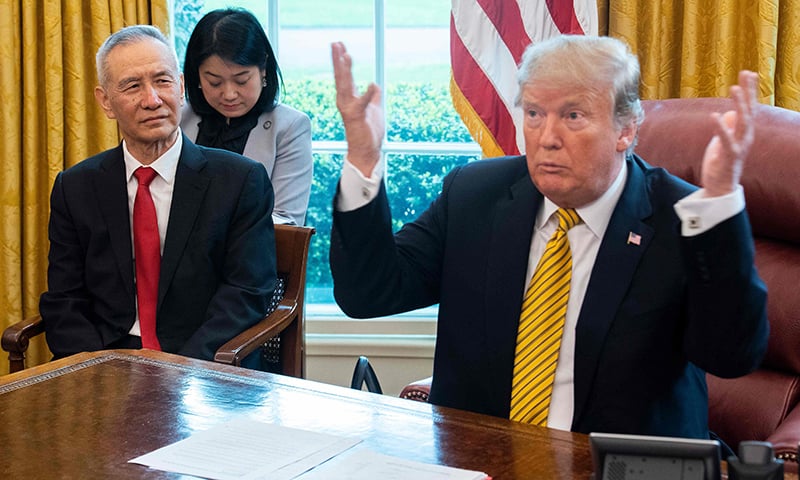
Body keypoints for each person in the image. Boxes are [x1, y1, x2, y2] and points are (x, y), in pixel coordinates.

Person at [328, 36, 768, 440]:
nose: (547, 139)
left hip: (617, 467)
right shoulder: (474, 195)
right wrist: (364, 160)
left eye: (573, 116)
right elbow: (368, 293)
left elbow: (730, 356)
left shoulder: (682, 218)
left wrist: (719, 206)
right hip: (482, 460)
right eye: (534, 114)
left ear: (625, 130)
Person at [40, 25, 277, 364]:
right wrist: (95, 370)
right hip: (108, 364)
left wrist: (183, 369)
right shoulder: (75, 187)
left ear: (180, 88)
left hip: (202, 363)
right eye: (132, 86)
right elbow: (64, 299)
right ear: (105, 101)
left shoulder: (240, 181)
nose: (152, 100)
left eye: (163, 81)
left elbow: (246, 293)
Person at [181, 8, 313, 226]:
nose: (229, 94)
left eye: (241, 80)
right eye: (214, 82)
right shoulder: (177, 118)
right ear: (196, 76)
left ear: (263, 69)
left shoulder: (289, 127)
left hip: (252, 256)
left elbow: (286, 221)